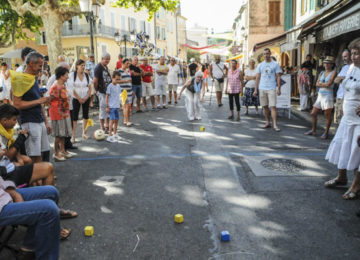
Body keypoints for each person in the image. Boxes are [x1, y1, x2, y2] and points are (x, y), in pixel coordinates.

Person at [324, 41, 360, 200]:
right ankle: (341, 177)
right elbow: (345, 87)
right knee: (342, 145)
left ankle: (356, 185)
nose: (354, 57)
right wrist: (343, 104)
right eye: (352, 53)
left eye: (357, 53)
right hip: (347, 116)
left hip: (359, 120)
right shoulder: (351, 68)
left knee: (356, 151)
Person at [0, 183, 60, 259]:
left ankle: (28, 250)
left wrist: (14, 193)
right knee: (49, 210)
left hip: (3, 194)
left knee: (51, 192)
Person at [13, 52, 51, 163]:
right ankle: (36, 178)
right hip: (29, 121)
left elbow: (39, 101)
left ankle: (43, 176)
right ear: (30, 63)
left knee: (43, 152)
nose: (41, 68)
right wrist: (40, 100)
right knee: (34, 156)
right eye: (39, 65)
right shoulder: (20, 79)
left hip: (39, 120)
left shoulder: (32, 78)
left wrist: (46, 121)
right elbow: (17, 104)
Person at [304, 56, 337, 139]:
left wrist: (321, 84)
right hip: (320, 95)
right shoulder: (322, 72)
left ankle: (326, 132)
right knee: (313, 113)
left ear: (332, 64)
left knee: (327, 115)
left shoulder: (333, 72)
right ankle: (313, 129)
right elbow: (317, 84)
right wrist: (323, 84)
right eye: (325, 62)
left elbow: (329, 84)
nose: (326, 64)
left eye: (328, 63)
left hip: (328, 95)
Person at [49, 66, 74, 162]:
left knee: (63, 134)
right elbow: (50, 100)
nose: (68, 77)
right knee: (58, 135)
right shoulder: (55, 87)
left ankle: (63, 150)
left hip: (64, 112)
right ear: (61, 76)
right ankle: (55, 153)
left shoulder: (63, 86)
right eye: (66, 75)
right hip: (57, 113)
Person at [253, 48, 282, 132]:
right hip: (262, 88)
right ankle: (267, 122)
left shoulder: (275, 64)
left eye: (267, 54)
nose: (266, 55)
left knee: (273, 107)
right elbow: (257, 78)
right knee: (265, 107)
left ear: (270, 54)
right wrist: (255, 90)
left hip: (272, 88)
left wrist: (279, 88)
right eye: (264, 54)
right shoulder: (260, 65)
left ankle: (275, 125)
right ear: (263, 55)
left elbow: (278, 77)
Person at [67, 59, 92, 141]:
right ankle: (73, 136)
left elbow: (90, 87)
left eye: (84, 65)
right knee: (75, 117)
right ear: (77, 66)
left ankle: (84, 133)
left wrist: (86, 97)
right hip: (75, 98)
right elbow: (71, 88)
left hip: (85, 98)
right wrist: (78, 98)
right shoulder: (72, 75)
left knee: (86, 115)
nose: (83, 67)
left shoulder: (86, 75)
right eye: (81, 65)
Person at [94, 53, 112, 134]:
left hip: (107, 92)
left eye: (108, 59)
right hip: (101, 91)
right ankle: (102, 127)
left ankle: (107, 125)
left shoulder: (106, 67)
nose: (107, 61)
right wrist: (96, 90)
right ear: (102, 58)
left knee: (108, 109)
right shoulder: (98, 67)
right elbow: (95, 80)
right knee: (102, 109)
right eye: (106, 59)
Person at [334, 49, 352, 124]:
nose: (343, 58)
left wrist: (342, 78)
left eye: (345, 56)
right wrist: (343, 78)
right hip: (339, 97)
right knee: (337, 121)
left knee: (345, 122)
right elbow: (336, 80)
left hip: (348, 98)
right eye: (343, 56)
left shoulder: (355, 68)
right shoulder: (344, 67)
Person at [106, 71, 122, 142]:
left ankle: (115, 134)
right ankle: (109, 135)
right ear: (112, 78)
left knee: (116, 120)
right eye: (116, 79)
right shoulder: (110, 86)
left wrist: (120, 105)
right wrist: (107, 106)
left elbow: (119, 96)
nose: (117, 81)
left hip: (117, 106)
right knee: (112, 120)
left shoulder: (118, 86)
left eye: (119, 79)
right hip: (111, 106)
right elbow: (107, 96)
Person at [118, 59, 133, 126]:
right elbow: (116, 81)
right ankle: (127, 121)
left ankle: (126, 120)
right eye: (127, 63)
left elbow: (130, 81)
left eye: (128, 63)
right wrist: (125, 81)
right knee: (125, 106)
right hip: (123, 91)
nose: (128, 65)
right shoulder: (119, 71)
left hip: (129, 90)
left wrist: (132, 90)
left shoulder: (128, 71)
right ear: (123, 63)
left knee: (128, 106)